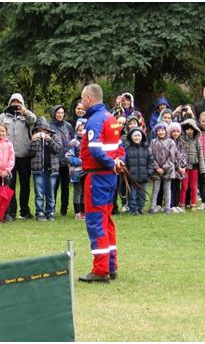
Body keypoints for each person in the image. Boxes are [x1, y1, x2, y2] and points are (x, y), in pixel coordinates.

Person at [78, 84, 125, 283]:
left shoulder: (95, 120)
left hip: (97, 177)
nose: (81, 102)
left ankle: (100, 270)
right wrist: (117, 163)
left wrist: (111, 164)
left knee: (96, 222)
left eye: (82, 99)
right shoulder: (111, 119)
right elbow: (120, 148)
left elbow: (96, 151)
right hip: (109, 177)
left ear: (89, 97)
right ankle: (111, 266)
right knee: (107, 221)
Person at [0, 93, 37, 220]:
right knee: (9, 185)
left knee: (25, 184)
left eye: (18, 102)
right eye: (13, 101)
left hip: (24, 155)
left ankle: (24, 211)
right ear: (10, 103)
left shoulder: (26, 116)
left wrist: (25, 112)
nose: (15, 104)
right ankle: (11, 212)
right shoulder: (3, 116)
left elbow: (33, 120)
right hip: (8, 159)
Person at [30, 117, 62, 221]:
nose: (42, 132)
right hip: (38, 170)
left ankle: (50, 212)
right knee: (39, 193)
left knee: (51, 193)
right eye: (39, 130)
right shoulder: (34, 138)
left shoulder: (54, 136)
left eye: (44, 130)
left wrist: (49, 140)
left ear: (48, 130)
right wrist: (33, 141)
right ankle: (40, 212)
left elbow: (58, 149)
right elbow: (30, 153)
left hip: (52, 170)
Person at [49, 105, 74, 216]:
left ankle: (64, 209)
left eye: (62, 113)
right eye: (58, 113)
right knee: (53, 186)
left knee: (65, 187)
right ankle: (51, 208)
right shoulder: (49, 126)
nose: (60, 115)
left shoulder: (68, 126)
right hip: (54, 161)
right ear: (54, 113)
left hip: (66, 161)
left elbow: (72, 141)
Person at [124, 127, 153, 216]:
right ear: (131, 137)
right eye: (135, 136)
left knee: (142, 194)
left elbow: (150, 161)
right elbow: (125, 162)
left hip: (143, 176)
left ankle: (141, 208)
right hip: (131, 176)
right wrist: (126, 173)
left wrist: (149, 172)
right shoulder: (127, 149)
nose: (137, 137)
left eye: (139, 135)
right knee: (132, 194)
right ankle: (134, 209)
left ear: (142, 136)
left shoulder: (146, 148)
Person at [178, 119, 205, 211]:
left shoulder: (197, 141)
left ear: (195, 130)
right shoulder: (181, 140)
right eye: (187, 129)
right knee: (184, 186)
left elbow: (200, 155)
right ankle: (182, 203)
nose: (189, 131)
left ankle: (193, 204)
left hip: (194, 167)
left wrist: (203, 170)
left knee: (193, 186)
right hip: (184, 168)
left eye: (192, 129)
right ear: (184, 130)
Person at [148, 123, 176, 214]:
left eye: (162, 130)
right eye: (159, 130)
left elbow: (172, 156)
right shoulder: (153, 142)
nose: (161, 132)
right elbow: (150, 155)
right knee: (155, 189)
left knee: (167, 189)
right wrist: (156, 167)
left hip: (168, 170)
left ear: (166, 131)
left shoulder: (171, 142)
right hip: (156, 170)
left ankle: (167, 207)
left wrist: (164, 168)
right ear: (156, 132)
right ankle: (152, 207)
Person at [65, 118, 87, 220]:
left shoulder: (90, 142)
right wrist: (80, 161)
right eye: (79, 130)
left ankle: (84, 211)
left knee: (86, 191)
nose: (81, 132)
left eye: (84, 130)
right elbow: (67, 156)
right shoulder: (73, 142)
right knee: (78, 191)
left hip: (88, 170)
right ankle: (77, 212)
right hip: (77, 171)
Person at [167, 122, 187, 213]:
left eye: (177, 131)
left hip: (180, 169)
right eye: (173, 131)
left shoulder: (181, 141)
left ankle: (176, 204)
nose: (175, 133)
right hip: (172, 168)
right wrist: (178, 166)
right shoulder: (169, 142)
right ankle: (170, 205)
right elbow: (171, 156)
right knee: (171, 187)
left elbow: (183, 154)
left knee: (177, 186)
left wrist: (184, 167)